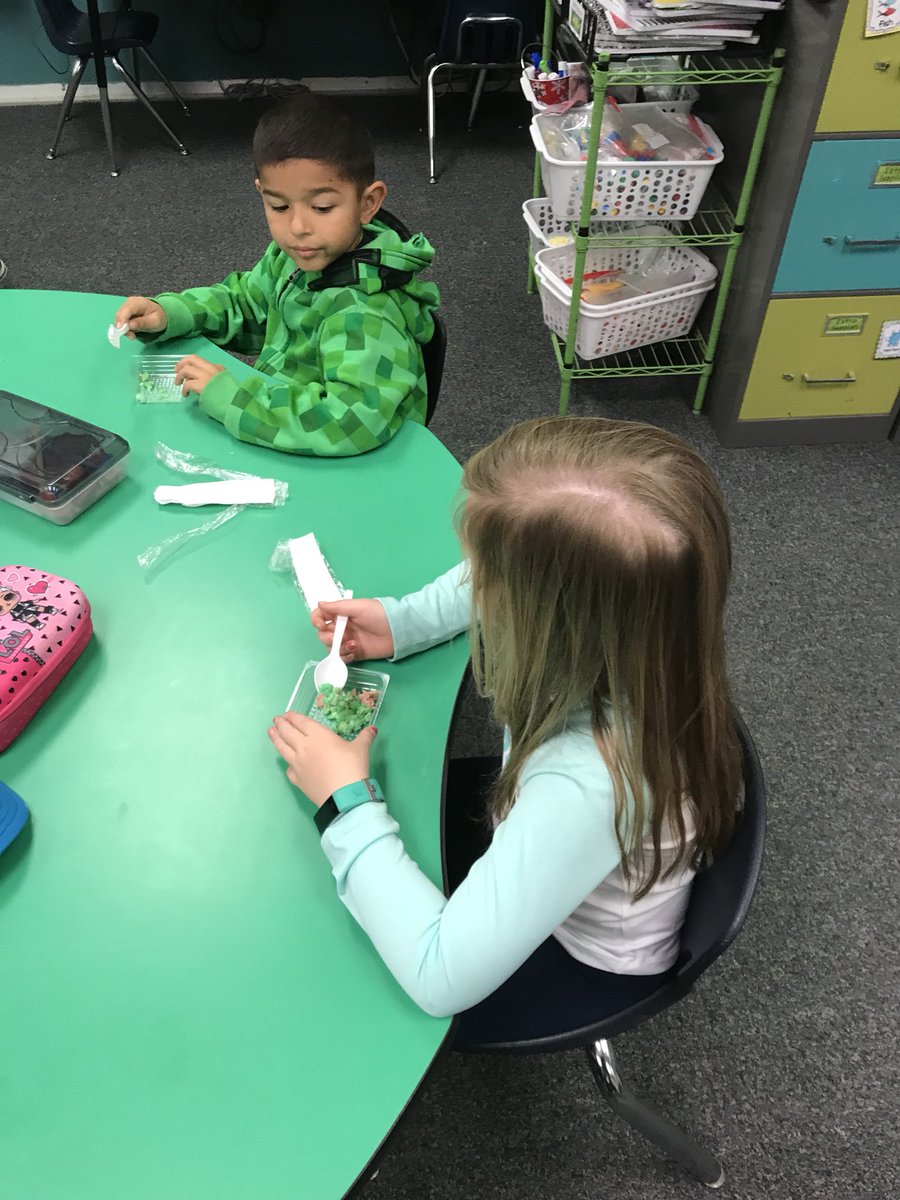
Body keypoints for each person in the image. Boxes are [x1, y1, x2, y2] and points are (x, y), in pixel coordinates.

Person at [268, 416, 743, 1047]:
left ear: (552, 621)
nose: (476, 585)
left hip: (577, 958)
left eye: (492, 579)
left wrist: (343, 800)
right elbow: (483, 580)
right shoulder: (648, 637)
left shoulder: (588, 784)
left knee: (315, 979)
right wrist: (401, 621)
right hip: (549, 844)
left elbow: (438, 977)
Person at [113, 92, 439, 457]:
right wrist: (172, 313)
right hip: (285, 417)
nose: (298, 227)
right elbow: (249, 304)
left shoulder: (365, 314)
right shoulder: (298, 258)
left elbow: (351, 423)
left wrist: (236, 400)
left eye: (322, 207)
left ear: (368, 203)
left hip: (341, 462)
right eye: (278, 205)